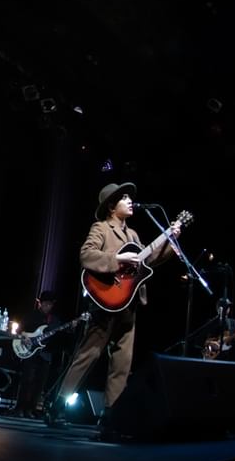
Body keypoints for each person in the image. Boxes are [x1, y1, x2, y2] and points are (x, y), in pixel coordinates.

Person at [49, 182, 180, 429]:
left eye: (130, 197)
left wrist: (169, 242)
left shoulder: (133, 235)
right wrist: (117, 258)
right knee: (89, 355)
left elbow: (147, 262)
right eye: (124, 198)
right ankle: (58, 405)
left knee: (122, 362)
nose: (130, 201)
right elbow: (87, 255)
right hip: (106, 302)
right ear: (111, 206)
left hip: (128, 304)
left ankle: (111, 415)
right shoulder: (101, 228)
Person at [14, 290, 60, 418]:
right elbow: (19, 330)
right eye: (45, 304)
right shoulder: (31, 315)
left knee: (40, 384)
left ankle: (31, 409)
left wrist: (71, 326)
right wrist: (24, 337)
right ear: (40, 303)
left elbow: (58, 335)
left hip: (46, 354)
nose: (47, 306)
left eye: (50, 304)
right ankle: (20, 408)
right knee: (27, 380)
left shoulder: (54, 320)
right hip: (30, 353)